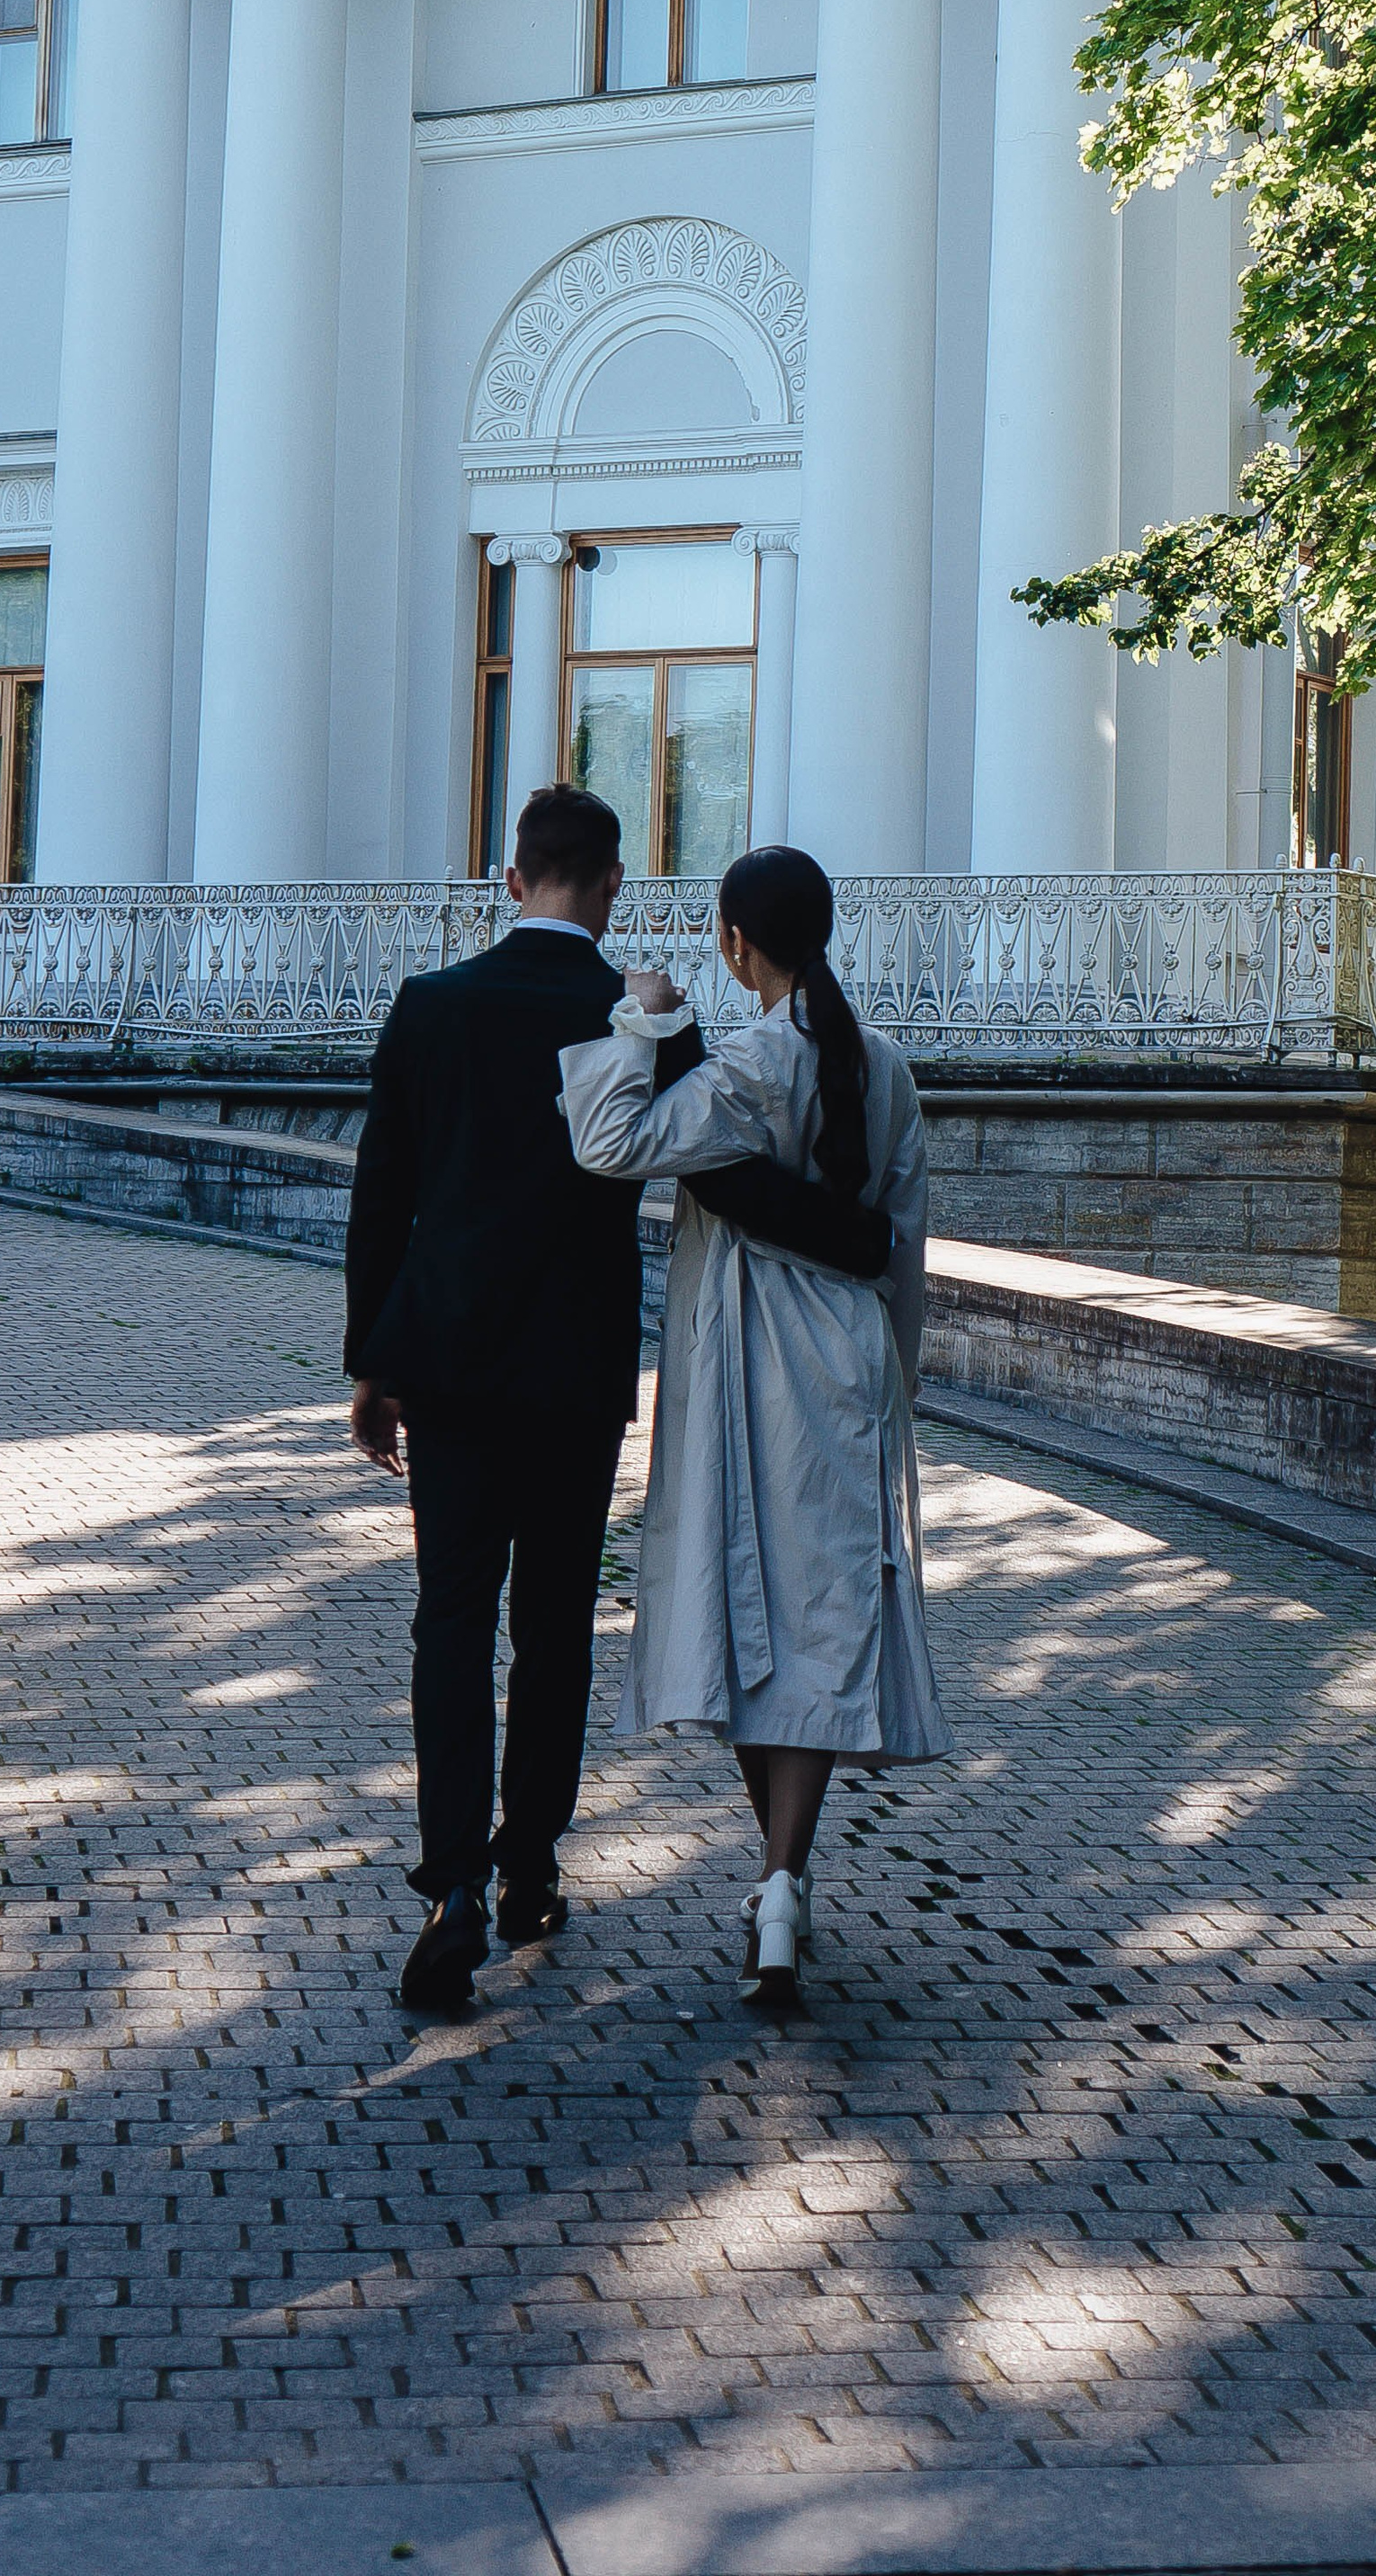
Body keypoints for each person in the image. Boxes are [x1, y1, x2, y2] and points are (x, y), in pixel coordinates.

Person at [345, 785, 893, 2017]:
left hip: (447, 1366)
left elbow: (383, 1196)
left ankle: (449, 1889)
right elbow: (713, 1174)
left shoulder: (430, 1007)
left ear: (510, 880)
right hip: (578, 1375)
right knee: (551, 1628)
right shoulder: (648, 1022)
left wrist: (370, 1365)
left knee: (448, 1621)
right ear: (610, 887)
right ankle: (530, 1865)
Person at [558, 843, 949, 2010]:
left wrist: (640, 1020)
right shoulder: (883, 1070)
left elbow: (608, 1143)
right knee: (825, 1612)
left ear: (736, 944)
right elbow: (906, 1247)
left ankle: (775, 1879)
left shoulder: (740, 1071)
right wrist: (899, 1380)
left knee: (742, 1609)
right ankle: (785, 1876)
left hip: (745, 1370)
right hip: (847, 1369)